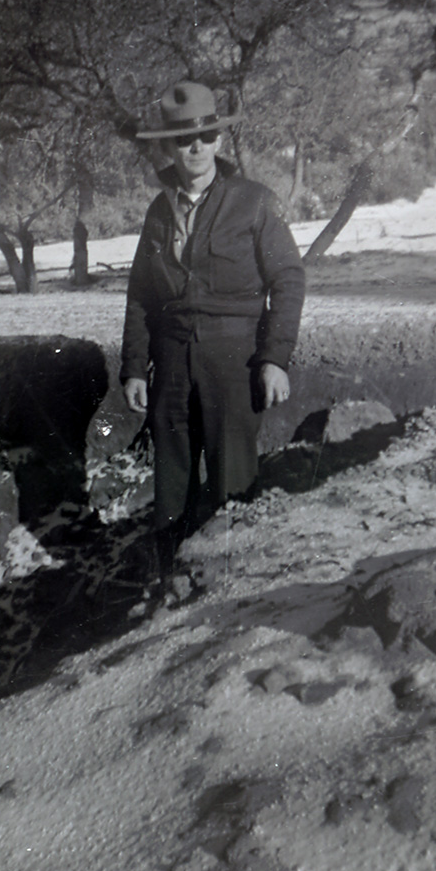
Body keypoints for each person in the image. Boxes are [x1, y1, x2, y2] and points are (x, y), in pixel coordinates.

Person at [121, 80, 305, 565]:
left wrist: (274, 359)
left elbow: (287, 279)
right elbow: (141, 294)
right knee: (171, 489)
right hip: (172, 366)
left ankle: (226, 591)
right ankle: (167, 590)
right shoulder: (159, 212)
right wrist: (135, 367)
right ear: (168, 147)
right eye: (183, 139)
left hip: (234, 361)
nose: (196, 147)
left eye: (205, 136)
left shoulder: (254, 202)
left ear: (220, 141)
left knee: (233, 484)